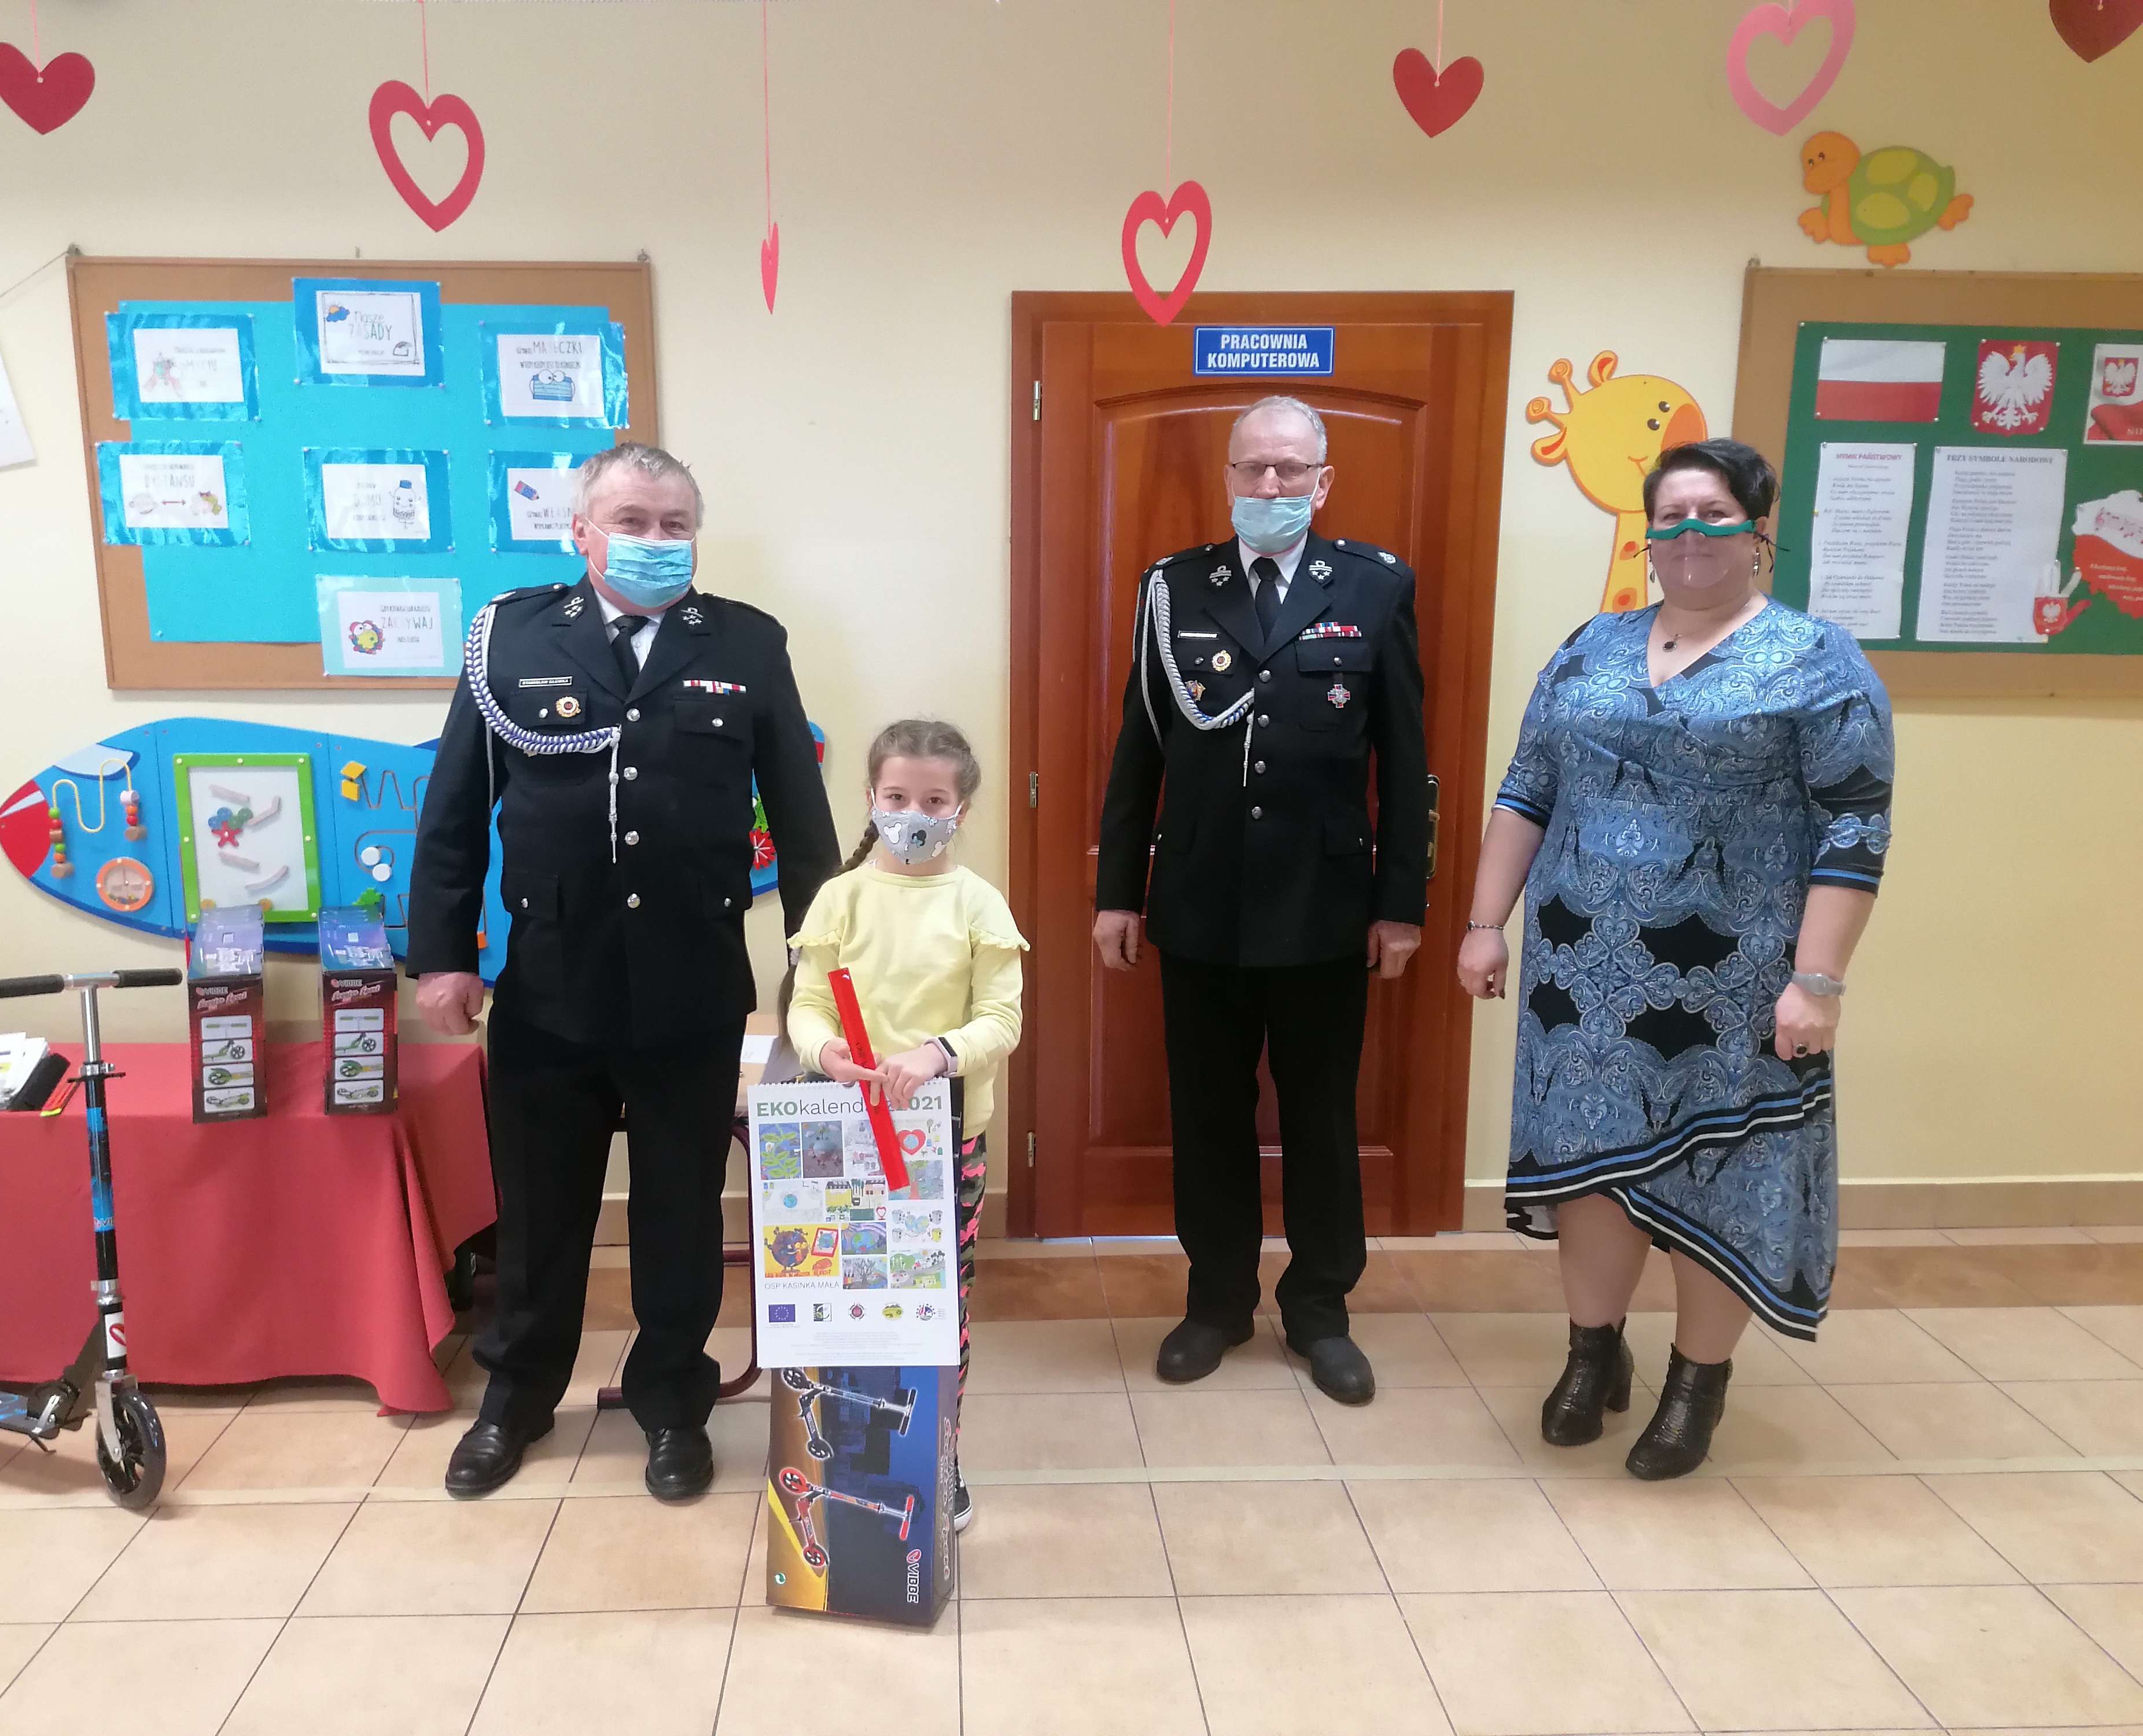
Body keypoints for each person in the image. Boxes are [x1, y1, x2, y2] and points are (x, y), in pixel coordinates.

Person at [408, 442, 837, 1502]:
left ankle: (672, 1403)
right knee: (541, 1209)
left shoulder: (747, 640)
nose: (655, 541)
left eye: (674, 524)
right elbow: (454, 807)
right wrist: (443, 957)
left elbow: (802, 816)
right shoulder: (511, 637)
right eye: (632, 522)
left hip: (693, 983)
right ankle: (517, 1398)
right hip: (551, 982)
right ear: (582, 532)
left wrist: (822, 968)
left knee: (680, 1211)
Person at [1457, 437, 1893, 1479]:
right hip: (1579, 979)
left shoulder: (1815, 659)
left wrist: (1818, 981)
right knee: (1587, 1169)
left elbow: (1855, 827)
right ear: (1649, 537)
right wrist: (1485, 921)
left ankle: (1697, 1384)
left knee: (1723, 1174)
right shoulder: (1590, 646)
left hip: (1735, 984)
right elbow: (1526, 788)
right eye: (1673, 517)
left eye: (1714, 514)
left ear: (1756, 532)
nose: (1692, 533)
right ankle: (1592, 1353)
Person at [1094, 395, 1430, 1407]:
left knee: (1322, 1117)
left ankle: (1321, 1309)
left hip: (1326, 907)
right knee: (1207, 1115)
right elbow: (1140, 751)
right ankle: (1218, 1302)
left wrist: (1401, 903)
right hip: (1200, 901)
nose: (1270, 484)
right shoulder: (1173, 588)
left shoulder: (1374, 586)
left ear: (1323, 483)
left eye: (1289, 469)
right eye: (1253, 468)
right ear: (1229, 477)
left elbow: (1405, 756)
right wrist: (1118, 894)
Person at [782, 719, 1026, 1535]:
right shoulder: (840, 897)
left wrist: (937, 1055)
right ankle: (843, 1454)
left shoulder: (977, 902)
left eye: (934, 800)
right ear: (870, 798)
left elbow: (1001, 1019)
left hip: (944, 1143)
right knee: (842, 1300)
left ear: (961, 809)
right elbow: (808, 1005)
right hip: (841, 1140)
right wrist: (824, 1051)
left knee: (935, 1306)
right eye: (897, 796)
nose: (913, 814)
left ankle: (936, 1455)